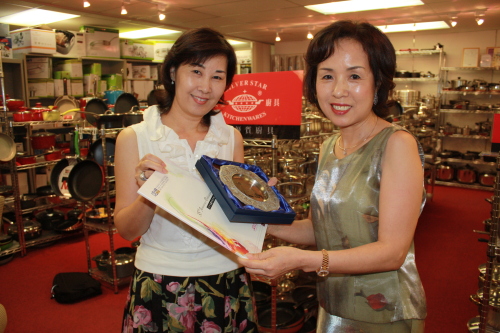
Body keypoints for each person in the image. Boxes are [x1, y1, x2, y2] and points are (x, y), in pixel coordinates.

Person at [239, 20, 427, 332]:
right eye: (327, 76)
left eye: (354, 76)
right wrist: (259, 218)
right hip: (333, 305)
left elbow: (392, 252)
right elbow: (319, 229)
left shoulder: (396, 144)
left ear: (377, 83)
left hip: (385, 312)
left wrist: (301, 261)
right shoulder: (330, 146)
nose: (339, 90)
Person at [114, 27, 257, 332]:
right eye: (196, 71)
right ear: (173, 72)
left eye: (217, 77)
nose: (205, 87)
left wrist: (259, 203)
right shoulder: (135, 138)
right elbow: (127, 231)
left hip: (225, 277)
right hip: (158, 279)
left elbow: (235, 223)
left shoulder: (231, 139)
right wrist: (150, 193)